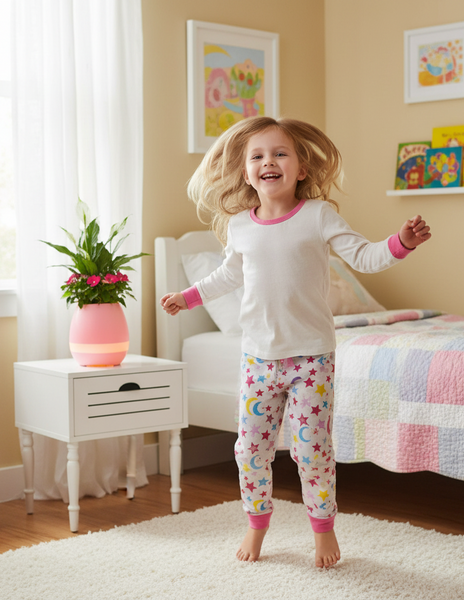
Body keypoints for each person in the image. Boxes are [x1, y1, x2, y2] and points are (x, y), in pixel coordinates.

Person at [160, 116, 431, 568]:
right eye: (258, 156)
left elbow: (363, 255)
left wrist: (400, 243)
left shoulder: (317, 216)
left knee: (310, 450)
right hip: (258, 360)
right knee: (250, 450)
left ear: (301, 169)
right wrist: (186, 298)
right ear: (246, 171)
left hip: (310, 359)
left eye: (280, 153)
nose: (269, 162)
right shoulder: (240, 226)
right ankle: (257, 522)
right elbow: (227, 275)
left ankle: (322, 529)